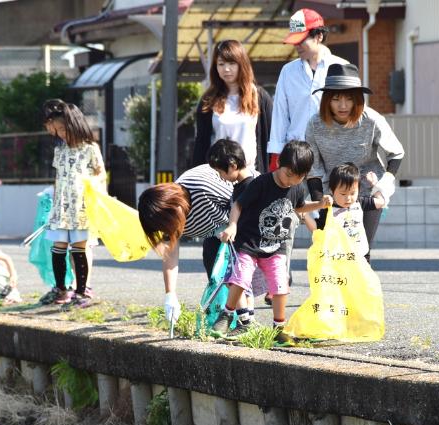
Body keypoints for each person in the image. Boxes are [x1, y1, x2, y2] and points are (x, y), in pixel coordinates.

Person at [212, 140, 332, 344]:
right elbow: (238, 206)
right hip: (248, 243)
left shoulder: (296, 188)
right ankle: (226, 314)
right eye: (288, 175)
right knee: (241, 278)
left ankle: (278, 327)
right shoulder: (260, 183)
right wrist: (232, 226)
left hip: (276, 246)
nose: (290, 181)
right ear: (278, 164)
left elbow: (299, 208)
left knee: (280, 284)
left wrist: (320, 204)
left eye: (298, 178)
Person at [306, 63, 405, 262]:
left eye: (349, 99)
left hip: (364, 193)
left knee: (360, 252)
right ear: (327, 100)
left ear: (357, 99)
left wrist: (383, 185)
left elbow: (396, 153)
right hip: (330, 196)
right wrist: (321, 204)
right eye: (336, 99)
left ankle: (362, 293)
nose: (342, 106)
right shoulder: (315, 124)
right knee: (333, 254)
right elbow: (313, 169)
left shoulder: (371, 119)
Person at [138, 164, 233, 324]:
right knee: (214, 271)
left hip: (241, 225)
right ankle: (226, 319)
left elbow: (243, 197)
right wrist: (170, 295)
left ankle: (245, 319)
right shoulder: (169, 214)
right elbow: (171, 254)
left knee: (238, 275)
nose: (168, 230)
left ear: (175, 208)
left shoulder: (204, 189)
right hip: (215, 233)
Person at [39, 99, 106, 306]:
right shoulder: (60, 150)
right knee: (58, 247)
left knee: (79, 248)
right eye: (57, 129)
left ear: (74, 125)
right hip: (61, 207)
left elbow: (101, 174)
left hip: (82, 208)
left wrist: (97, 196)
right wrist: (54, 198)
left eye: (62, 129)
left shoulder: (90, 148)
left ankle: (82, 291)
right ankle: (61, 288)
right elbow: (58, 177)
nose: (60, 133)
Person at [267, 8, 348, 171]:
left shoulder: (343, 68)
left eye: (301, 40)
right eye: (294, 41)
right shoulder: (287, 72)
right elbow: (280, 115)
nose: (297, 46)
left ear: (319, 36)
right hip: (295, 157)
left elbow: (354, 114)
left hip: (333, 156)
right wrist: (276, 156)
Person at [193, 39, 273, 172]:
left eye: (232, 63)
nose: (226, 69)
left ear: (242, 64)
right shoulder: (208, 100)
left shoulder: (259, 97)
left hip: (251, 176)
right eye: (221, 64)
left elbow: (270, 139)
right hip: (216, 177)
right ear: (215, 67)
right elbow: (201, 144)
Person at [206, 139, 258, 333]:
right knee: (240, 283)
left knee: (234, 281)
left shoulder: (248, 187)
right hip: (244, 244)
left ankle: (245, 323)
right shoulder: (244, 185)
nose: (220, 177)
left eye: (220, 172)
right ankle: (246, 322)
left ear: (232, 166)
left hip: (244, 244)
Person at [318, 163, 387, 259]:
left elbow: (381, 202)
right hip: (337, 258)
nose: (348, 198)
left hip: (360, 257)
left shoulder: (360, 202)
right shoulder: (328, 209)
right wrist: (305, 216)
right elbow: (317, 230)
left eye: (353, 193)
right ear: (331, 190)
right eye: (343, 194)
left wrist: (374, 185)